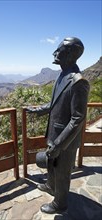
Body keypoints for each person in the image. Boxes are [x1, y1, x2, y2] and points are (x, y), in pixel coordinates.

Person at [26, 37, 90, 214]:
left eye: (59, 49)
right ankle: (50, 186)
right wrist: (39, 110)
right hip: (54, 134)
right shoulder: (62, 75)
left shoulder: (79, 82)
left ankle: (60, 203)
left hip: (66, 141)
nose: (55, 53)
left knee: (62, 172)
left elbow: (77, 118)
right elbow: (55, 103)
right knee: (52, 165)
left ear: (70, 54)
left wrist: (59, 144)